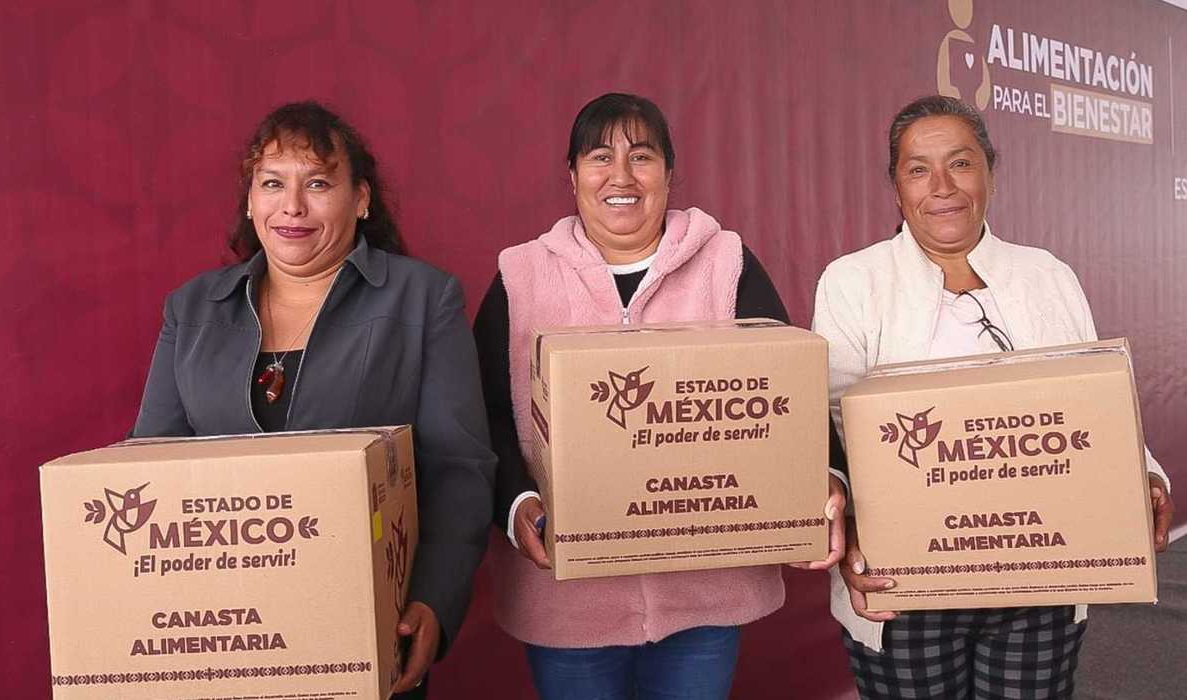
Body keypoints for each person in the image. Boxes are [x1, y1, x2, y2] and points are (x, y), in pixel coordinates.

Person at [473, 92, 849, 700]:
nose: (620, 176)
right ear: (572, 177)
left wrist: (823, 479)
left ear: (669, 174)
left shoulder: (725, 262)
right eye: (599, 157)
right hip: (568, 599)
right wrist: (517, 507)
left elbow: (791, 391)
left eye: (641, 157)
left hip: (705, 596)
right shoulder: (521, 275)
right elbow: (483, 412)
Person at [812, 94, 1175, 699]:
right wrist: (846, 534)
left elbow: (1096, 403)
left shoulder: (1047, 275)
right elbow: (830, 424)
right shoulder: (854, 281)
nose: (942, 187)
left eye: (961, 162)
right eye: (918, 168)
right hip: (903, 581)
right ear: (895, 186)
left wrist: (1144, 474)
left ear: (990, 172)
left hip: (1041, 572)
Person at [132, 100, 496, 699]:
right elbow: (150, 462)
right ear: (250, 202)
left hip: (361, 627)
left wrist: (434, 600)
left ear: (361, 199)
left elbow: (458, 469)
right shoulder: (191, 309)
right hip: (222, 635)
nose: (292, 207)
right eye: (272, 183)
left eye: (319, 183)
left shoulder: (424, 299)